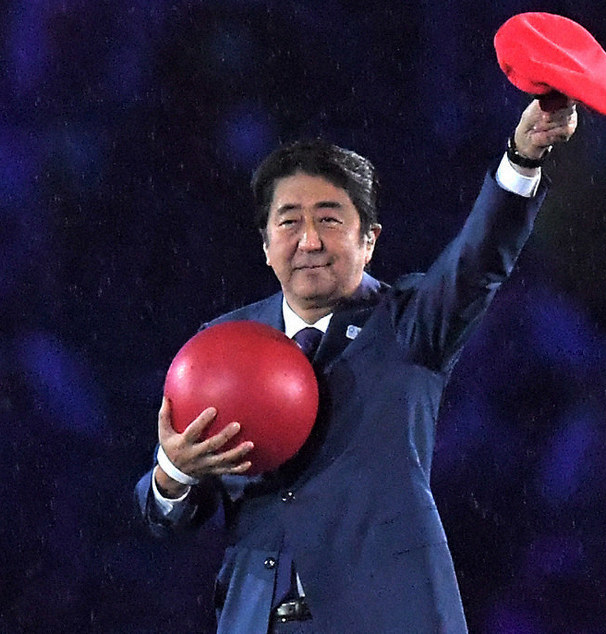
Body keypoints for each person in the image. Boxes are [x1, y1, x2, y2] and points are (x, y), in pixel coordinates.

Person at [135, 98, 578, 632]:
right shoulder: (222, 346)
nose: (309, 241)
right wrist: (175, 471)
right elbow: (168, 516)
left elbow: (478, 261)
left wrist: (522, 158)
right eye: (289, 222)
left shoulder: (410, 323)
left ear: (369, 240)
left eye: (329, 219)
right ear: (266, 245)